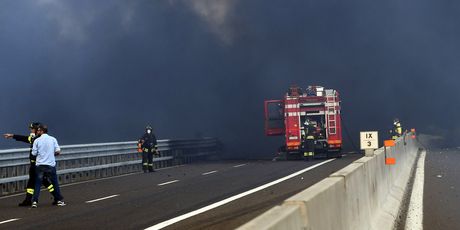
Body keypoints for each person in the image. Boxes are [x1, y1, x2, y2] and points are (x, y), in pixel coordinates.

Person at [3, 122, 58, 206]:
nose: (31, 130)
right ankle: (28, 200)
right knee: (34, 182)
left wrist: (15, 135)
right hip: (35, 165)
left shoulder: (38, 138)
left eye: (32, 129)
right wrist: (13, 135)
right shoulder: (36, 138)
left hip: (38, 165)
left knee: (43, 181)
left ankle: (56, 197)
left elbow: (30, 140)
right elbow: (25, 138)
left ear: (37, 130)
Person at [30, 124, 65, 208]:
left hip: (40, 165)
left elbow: (33, 153)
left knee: (38, 183)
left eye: (38, 130)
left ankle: (34, 201)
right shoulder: (53, 139)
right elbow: (58, 151)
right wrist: (51, 154)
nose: (37, 132)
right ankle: (59, 200)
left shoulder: (37, 140)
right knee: (55, 183)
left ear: (42, 131)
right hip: (50, 165)